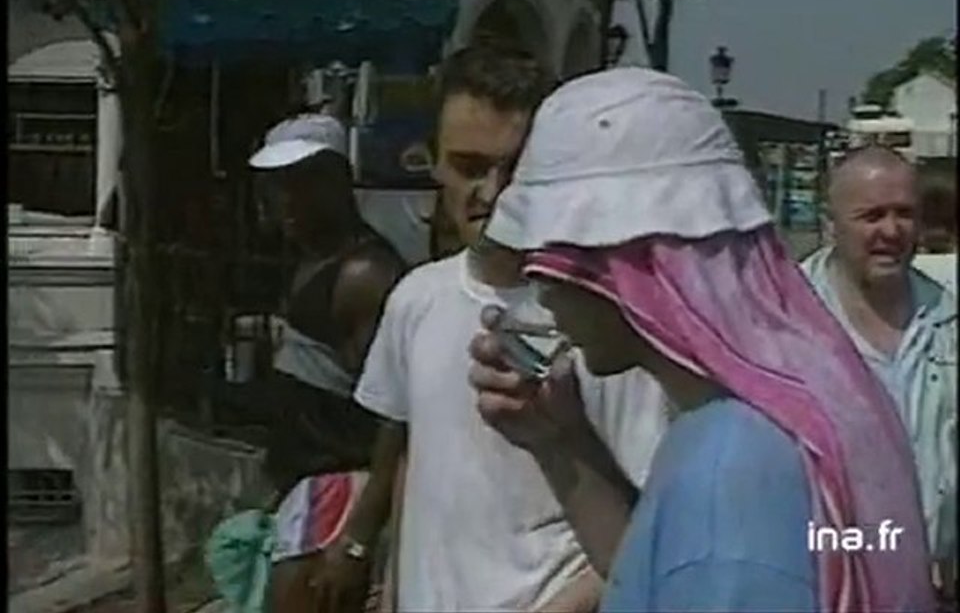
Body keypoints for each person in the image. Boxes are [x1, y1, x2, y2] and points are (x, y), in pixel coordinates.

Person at [467, 68, 936, 612]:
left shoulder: (728, 468)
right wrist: (562, 441)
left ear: (625, 264)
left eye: (551, 258)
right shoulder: (786, 412)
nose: (540, 286)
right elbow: (674, 575)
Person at [313, 43, 668, 612]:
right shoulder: (415, 299)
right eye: (470, 167)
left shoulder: (606, 324)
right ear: (433, 162)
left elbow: (649, 527)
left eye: (516, 168)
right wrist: (396, 587)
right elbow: (415, 458)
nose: (493, 191)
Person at [208, 112, 406, 613]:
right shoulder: (312, 261)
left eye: (303, 183)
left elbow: (396, 415)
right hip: (303, 487)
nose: (286, 200)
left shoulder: (364, 275)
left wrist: (357, 539)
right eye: (277, 185)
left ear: (339, 181)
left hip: (338, 493)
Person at [801, 146, 957, 604]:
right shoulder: (782, 325)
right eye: (871, 215)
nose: (891, 231)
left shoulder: (948, 321)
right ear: (831, 224)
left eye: (904, 214)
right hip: (818, 587)